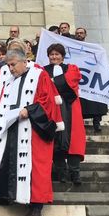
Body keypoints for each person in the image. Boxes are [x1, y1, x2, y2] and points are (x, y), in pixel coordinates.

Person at [0, 47, 61, 216]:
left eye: (13, 65)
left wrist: (29, 110)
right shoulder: (9, 80)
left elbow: (47, 101)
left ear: (24, 61)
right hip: (12, 128)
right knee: (4, 159)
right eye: (8, 66)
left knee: (35, 168)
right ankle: (3, 195)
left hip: (33, 129)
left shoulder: (40, 75)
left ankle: (36, 208)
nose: (11, 69)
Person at [44, 43, 86, 185]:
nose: (54, 57)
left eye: (57, 54)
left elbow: (70, 81)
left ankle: (75, 173)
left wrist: (52, 82)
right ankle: (61, 172)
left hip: (70, 107)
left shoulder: (71, 68)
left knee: (73, 140)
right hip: (52, 110)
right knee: (56, 140)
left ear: (62, 56)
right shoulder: (43, 71)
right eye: (52, 54)